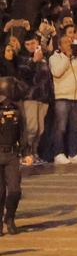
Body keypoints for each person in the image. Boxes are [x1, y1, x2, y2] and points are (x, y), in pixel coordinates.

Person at [48, 35, 77, 165]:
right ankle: (58, 153)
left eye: (70, 42)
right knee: (61, 128)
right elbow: (57, 72)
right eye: (66, 42)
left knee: (76, 128)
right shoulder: (54, 58)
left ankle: (73, 153)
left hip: (76, 97)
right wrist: (67, 57)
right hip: (62, 97)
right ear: (60, 46)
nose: (69, 44)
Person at [16, 36, 50, 166]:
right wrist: (34, 61)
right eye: (27, 43)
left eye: (33, 43)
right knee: (31, 127)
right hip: (30, 97)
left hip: (43, 98)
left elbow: (47, 78)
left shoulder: (44, 58)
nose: (30, 46)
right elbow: (25, 75)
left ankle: (34, 153)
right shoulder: (22, 59)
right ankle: (25, 153)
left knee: (40, 129)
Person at [0, 76, 22, 234]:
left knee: (14, 190)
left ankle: (10, 217)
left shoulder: (17, 108)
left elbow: (23, 130)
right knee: (0, 191)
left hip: (12, 153)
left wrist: (26, 151)